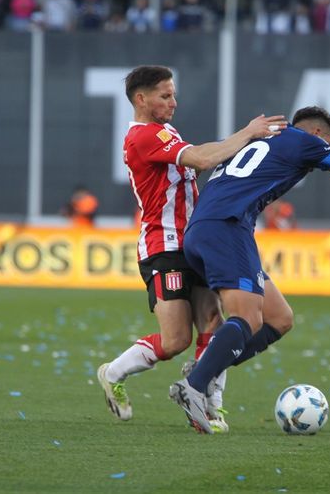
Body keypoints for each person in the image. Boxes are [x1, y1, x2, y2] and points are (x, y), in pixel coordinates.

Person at [169, 106, 330, 434]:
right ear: (319, 135)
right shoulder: (304, 141)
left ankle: (206, 368)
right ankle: (194, 386)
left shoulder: (260, 137)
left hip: (203, 230)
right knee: (248, 319)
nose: (328, 155)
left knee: (279, 317)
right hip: (227, 226)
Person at [96, 64, 286, 433]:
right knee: (176, 340)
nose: (174, 102)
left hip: (197, 242)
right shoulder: (142, 136)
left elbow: (199, 162)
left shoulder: (166, 131)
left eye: (173, 94)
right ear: (141, 99)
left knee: (215, 323)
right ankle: (113, 372)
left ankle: (208, 408)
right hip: (162, 247)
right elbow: (200, 158)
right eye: (165, 96)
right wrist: (248, 133)